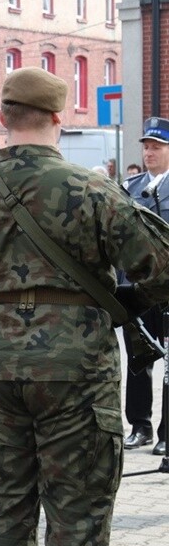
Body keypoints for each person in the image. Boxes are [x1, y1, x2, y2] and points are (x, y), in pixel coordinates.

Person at [0, 67, 169, 546]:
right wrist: (122, 308)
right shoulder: (93, 189)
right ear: (59, 118)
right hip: (78, 371)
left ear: (3, 117)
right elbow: (162, 268)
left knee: (1, 502)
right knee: (78, 507)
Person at [120, 116, 169, 456]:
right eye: (146, 147)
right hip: (138, 289)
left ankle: (167, 433)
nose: (149, 153)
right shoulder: (130, 187)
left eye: (157, 147)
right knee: (139, 358)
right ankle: (140, 425)